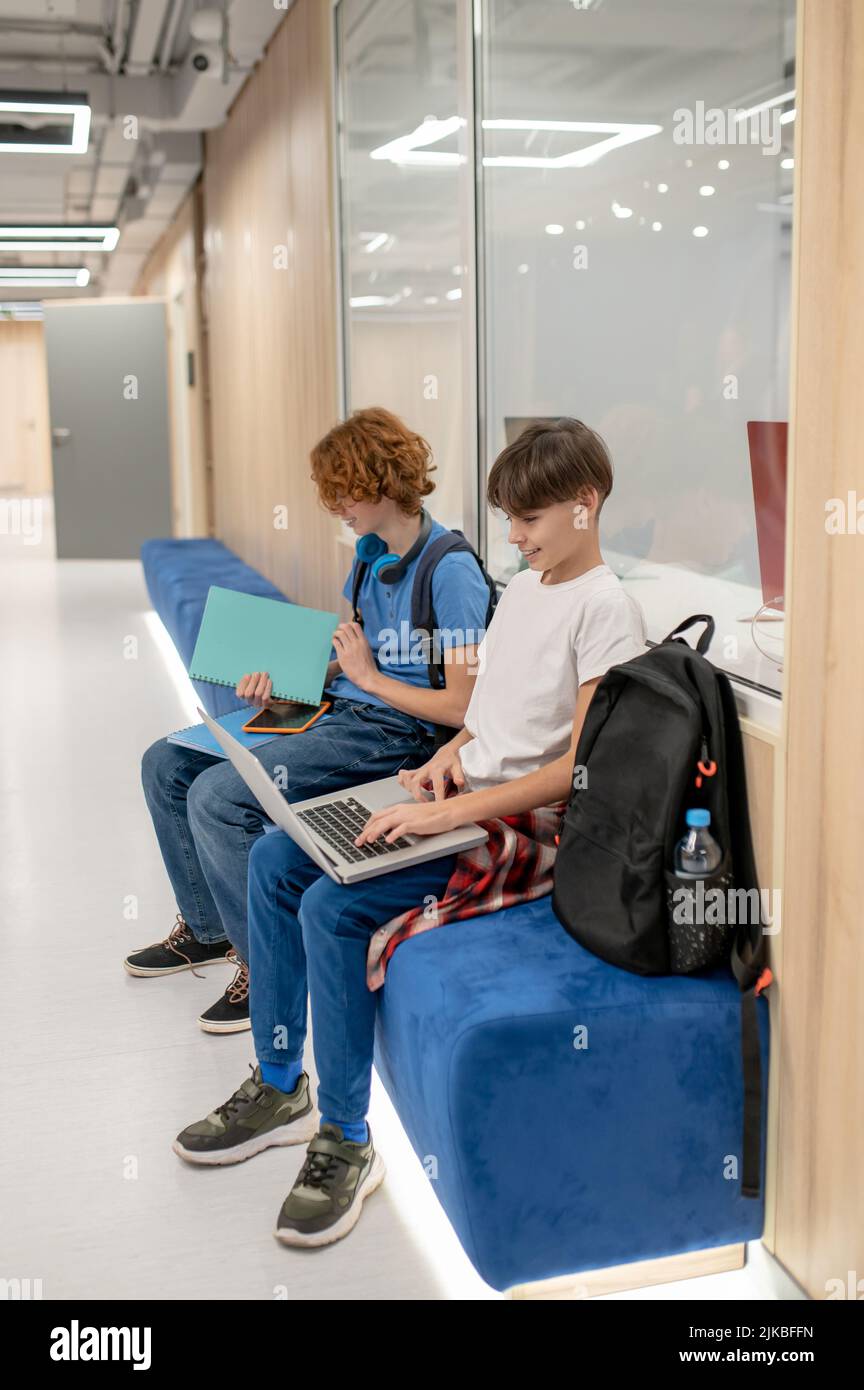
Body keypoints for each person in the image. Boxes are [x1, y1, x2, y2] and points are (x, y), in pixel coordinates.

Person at [173, 417, 648, 1249]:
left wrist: (448, 810)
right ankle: (282, 1081)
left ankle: (348, 1139)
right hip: (463, 796)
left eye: (529, 520)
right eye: (508, 518)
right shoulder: (527, 590)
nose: (515, 536)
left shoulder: (607, 610)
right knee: (277, 856)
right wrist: (446, 762)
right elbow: (488, 717)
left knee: (329, 907)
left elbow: (580, 769)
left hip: (520, 830)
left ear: (587, 504)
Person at [126, 407, 491, 1032]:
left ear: (381, 482)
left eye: (343, 493)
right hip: (343, 706)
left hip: (397, 734)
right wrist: (291, 680)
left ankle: (266, 971)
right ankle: (211, 931)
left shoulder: (450, 572)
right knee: (166, 762)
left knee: (219, 796)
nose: (336, 508)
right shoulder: (370, 558)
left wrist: (369, 680)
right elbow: (353, 665)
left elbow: (464, 708)